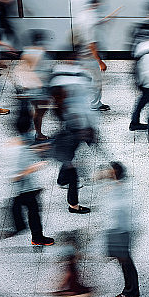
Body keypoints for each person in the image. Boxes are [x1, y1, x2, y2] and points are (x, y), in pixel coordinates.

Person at [50, 62, 95, 214]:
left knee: (70, 161)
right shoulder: (73, 98)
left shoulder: (61, 102)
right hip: (74, 133)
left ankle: (62, 179)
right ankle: (73, 205)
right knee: (74, 170)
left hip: (70, 133)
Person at [0, 121, 54, 246]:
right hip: (25, 188)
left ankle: (26, 231)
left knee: (27, 209)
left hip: (20, 188)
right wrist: (36, 166)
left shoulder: (11, 144)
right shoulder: (20, 150)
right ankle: (36, 237)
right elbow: (18, 173)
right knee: (33, 211)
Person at [100, 161, 140, 297]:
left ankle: (131, 291)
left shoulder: (123, 190)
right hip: (116, 230)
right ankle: (131, 288)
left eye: (109, 171)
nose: (106, 172)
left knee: (126, 261)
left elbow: (125, 213)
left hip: (121, 231)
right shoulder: (114, 187)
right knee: (123, 260)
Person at [73, 0, 109, 112]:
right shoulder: (91, 19)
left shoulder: (83, 14)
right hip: (90, 56)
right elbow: (92, 44)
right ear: (97, 2)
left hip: (81, 54)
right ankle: (94, 104)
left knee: (87, 80)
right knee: (96, 82)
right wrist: (100, 62)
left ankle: (87, 102)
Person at [14, 29, 53, 141]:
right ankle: (38, 133)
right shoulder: (42, 52)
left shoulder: (26, 51)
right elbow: (40, 71)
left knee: (33, 110)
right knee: (40, 111)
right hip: (39, 87)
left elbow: (23, 69)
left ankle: (30, 130)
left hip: (27, 87)